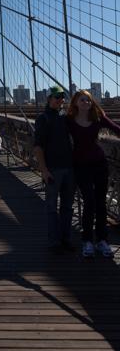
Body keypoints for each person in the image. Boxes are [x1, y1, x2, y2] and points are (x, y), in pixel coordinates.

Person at [67, 90, 120, 258]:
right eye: (82, 100)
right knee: (89, 201)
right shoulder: (68, 121)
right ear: (75, 102)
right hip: (81, 166)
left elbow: (116, 129)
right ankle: (87, 240)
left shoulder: (97, 117)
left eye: (88, 100)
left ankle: (102, 240)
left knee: (101, 203)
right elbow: (56, 137)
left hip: (99, 164)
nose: (86, 103)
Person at [34, 85, 74, 253]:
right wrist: (44, 170)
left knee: (68, 207)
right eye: (57, 97)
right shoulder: (43, 119)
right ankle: (54, 241)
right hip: (53, 170)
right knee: (52, 207)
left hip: (70, 169)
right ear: (49, 99)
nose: (60, 100)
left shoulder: (65, 118)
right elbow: (38, 147)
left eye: (62, 97)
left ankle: (65, 239)